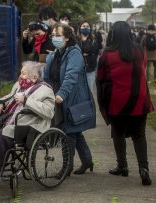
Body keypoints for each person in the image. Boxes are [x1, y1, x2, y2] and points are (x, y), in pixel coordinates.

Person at [96, 21, 154, 186]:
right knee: (139, 135)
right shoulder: (139, 51)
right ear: (130, 33)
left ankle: (122, 166)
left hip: (118, 101)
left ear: (112, 34)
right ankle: (144, 169)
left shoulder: (107, 54)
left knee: (118, 134)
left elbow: (100, 78)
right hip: (140, 100)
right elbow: (141, 71)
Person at [45, 23, 95, 175]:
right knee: (75, 131)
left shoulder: (74, 53)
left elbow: (71, 76)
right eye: (53, 35)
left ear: (67, 37)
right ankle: (87, 161)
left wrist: (61, 94)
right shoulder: (56, 52)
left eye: (58, 35)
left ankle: (67, 166)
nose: (54, 38)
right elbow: (48, 75)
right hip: (58, 96)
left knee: (69, 131)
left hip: (70, 97)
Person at [77, 20, 99, 92]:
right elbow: (77, 51)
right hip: (78, 70)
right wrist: (87, 53)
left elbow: (94, 51)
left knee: (89, 91)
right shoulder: (76, 40)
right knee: (80, 92)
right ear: (80, 28)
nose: (85, 28)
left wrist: (86, 52)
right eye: (83, 26)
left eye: (87, 26)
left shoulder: (93, 41)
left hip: (90, 70)